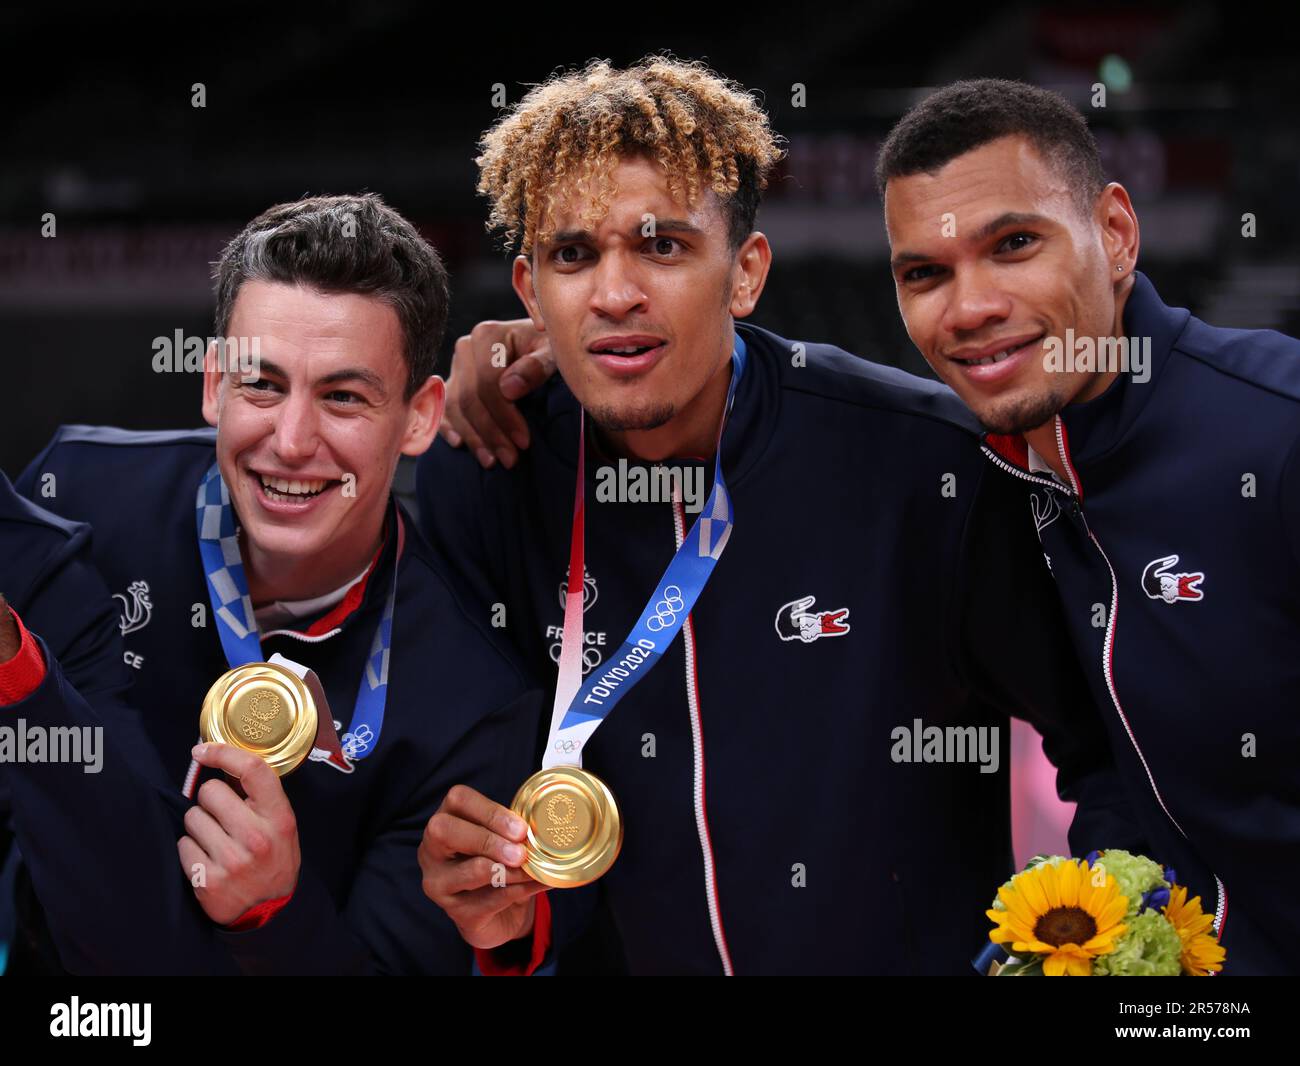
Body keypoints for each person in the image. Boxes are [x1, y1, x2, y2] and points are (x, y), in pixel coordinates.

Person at [415, 57, 1141, 976]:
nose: (613, 293)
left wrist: (1090, 960)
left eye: (663, 247)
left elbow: (1110, 752)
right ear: (529, 290)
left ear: (746, 272)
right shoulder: (489, 473)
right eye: (573, 256)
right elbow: (487, 823)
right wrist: (499, 914)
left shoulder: (925, 464)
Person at [16, 193, 544, 974]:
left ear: (420, 419)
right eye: (261, 384)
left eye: (343, 397)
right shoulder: (76, 494)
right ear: (211, 388)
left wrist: (273, 918)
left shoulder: (472, 705)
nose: (292, 443)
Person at [875, 78, 1299, 974]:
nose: (970, 307)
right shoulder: (1000, 471)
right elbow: (1114, 763)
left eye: (1015, 244)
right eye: (925, 274)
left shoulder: (1280, 431)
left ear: (1114, 234)